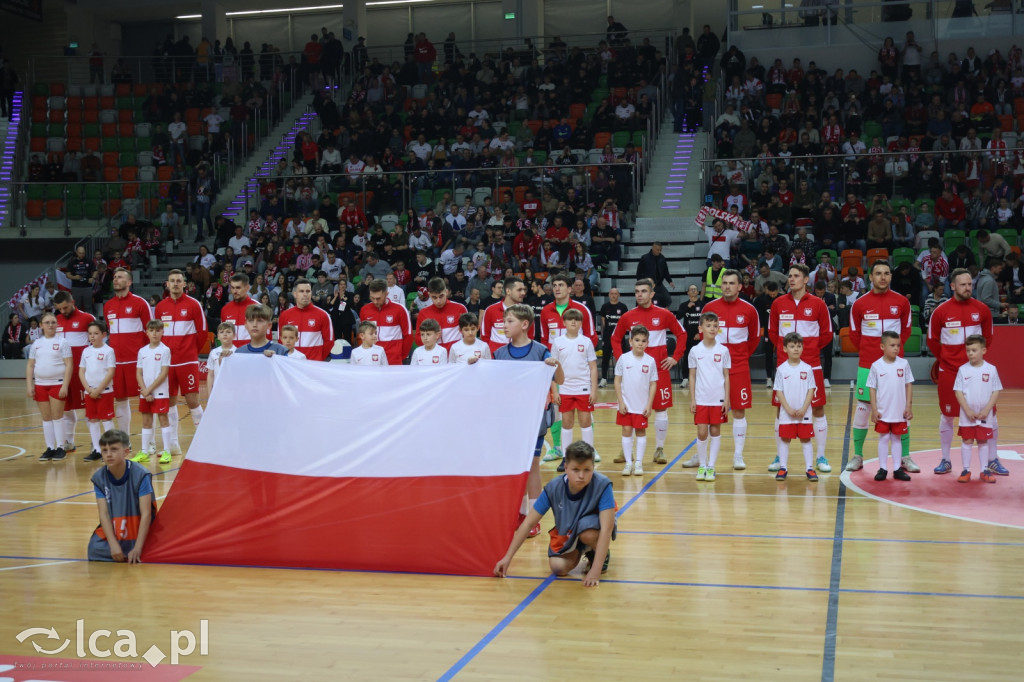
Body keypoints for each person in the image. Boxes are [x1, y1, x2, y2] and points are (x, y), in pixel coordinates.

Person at [494, 441, 615, 587]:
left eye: (587, 470)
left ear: (593, 468)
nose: (581, 475)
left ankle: (597, 553)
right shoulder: (553, 488)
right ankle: (581, 549)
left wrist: (595, 571)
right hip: (569, 531)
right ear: (565, 468)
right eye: (575, 470)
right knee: (558, 567)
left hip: (592, 529)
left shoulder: (603, 485)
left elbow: (607, 528)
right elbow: (528, 523)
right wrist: (507, 558)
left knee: (587, 533)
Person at [494, 304, 563, 538]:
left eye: (509, 321)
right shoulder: (500, 354)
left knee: (532, 467)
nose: (504, 325)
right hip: (510, 419)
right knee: (516, 467)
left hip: (535, 418)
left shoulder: (540, 350)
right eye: (504, 321)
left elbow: (560, 378)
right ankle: (520, 514)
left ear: (524, 324)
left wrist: (556, 364)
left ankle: (533, 518)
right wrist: (475, 365)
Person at [927, 269, 1002, 475]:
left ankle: (993, 459)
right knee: (947, 415)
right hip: (950, 371)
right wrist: (946, 361)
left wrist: (976, 362)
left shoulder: (983, 310)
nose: (968, 288)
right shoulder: (941, 311)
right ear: (953, 286)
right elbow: (932, 340)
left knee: (991, 416)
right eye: (963, 285)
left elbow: (988, 337)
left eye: (970, 284)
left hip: (977, 372)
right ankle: (945, 459)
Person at [846, 260, 915, 473]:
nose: (882, 277)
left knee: (901, 410)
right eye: (878, 273)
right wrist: (872, 354)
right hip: (868, 365)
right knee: (863, 409)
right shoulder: (859, 304)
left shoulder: (902, 302)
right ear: (871, 277)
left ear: (891, 276)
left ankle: (905, 456)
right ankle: (857, 456)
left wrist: (892, 353)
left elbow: (906, 331)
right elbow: (855, 335)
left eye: (886, 273)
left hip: (896, 366)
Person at [611, 279, 687, 465]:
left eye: (644, 291)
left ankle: (659, 449)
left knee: (661, 409)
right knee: (629, 409)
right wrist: (622, 361)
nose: (639, 294)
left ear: (652, 294)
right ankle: (626, 448)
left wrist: (675, 357)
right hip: (633, 374)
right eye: (637, 291)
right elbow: (615, 339)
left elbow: (682, 334)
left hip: (659, 370)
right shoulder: (628, 316)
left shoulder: (665, 314)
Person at [767, 264, 833, 473]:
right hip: (784, 367)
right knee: (780, 410)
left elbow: (827, 334)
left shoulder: (818, 304)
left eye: (796, 276)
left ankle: (821, 456)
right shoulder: (778, 303)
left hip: (812, 365)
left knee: (818, 408)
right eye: (790, 275)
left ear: (806, 280)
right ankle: (780, 456)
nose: (791, 279)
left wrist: (809, 351)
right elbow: (772, 332)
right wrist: (785, 353)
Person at [694, 270, 760, 470]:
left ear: (740, 286)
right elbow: (703, 332)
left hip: (739, 367)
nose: (727, 286)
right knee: (705, 414)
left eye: (732, 283)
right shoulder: (709, 307)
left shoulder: (750, 310)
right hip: (711, 370)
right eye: (724, 283)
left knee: (739, 411)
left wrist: (739, 357)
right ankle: (700, 457)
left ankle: (738, 455)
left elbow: (754, 338)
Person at [154, 269, 207, 455]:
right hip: (167, 363)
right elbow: (157, 334)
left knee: (192, 400)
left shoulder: (193, 305)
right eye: (172, 281)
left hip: (187, 361)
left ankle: (204, 441)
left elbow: (202, 332)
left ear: (184, 284)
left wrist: (191, 352)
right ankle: (173, 445)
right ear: (167, 284)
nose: (175, 284)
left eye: (179, 281)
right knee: (169, 402)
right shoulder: (160, 307)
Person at [87, 429, 156, 563]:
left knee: (151, 547)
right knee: (93, 549)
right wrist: (113, 545)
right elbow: (104, 514)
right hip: (117, 528)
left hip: (138, 526)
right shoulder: (99, 478)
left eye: (113, 449)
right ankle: (123, 551)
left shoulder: (141, 474)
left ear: (126, 452)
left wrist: (138, 547)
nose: (108, 454)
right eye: (104, 450)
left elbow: (146, 513)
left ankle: (135, 550)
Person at [103, 268, 153, 433]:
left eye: (120, 277)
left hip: (136, 361)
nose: (116, 279)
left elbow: (150, 332)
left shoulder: (140, 303)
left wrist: (146, 357)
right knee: (120, 399)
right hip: (116, 362)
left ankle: (150, 441)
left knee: (146, 398)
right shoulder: (108, 305)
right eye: (114, 277)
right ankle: (125, 440)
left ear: (129, 282)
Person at [687, 312, 731, 482]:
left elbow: (726, 375)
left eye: (715, 326)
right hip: (701, 398)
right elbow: (692, 376)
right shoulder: (695, 350)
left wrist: (726, 399)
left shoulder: (723, 350)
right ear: (701, 328)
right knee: (702, 432)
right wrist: (692, 399)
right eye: (708, 325)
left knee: (715, 431)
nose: (712, 329)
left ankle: (711, 466)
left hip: (718, 398)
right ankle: (702, 465)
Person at [551, 308, 599, 465]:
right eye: (570, 319)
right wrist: (554, 391)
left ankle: (589, 455)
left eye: (577, 320)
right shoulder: (557, 343)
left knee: (585, 421)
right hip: (564, 388)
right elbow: (552, 369)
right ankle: (566, 458)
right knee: (567, 422)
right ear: (564, 322)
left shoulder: (586, 342)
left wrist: (594, 390)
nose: (573, 322)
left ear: (581, 323)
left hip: (583, 387)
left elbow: (593, 367)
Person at [867, 330, 915, 482]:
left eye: (898, 345)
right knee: (883, 438)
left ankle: (896, 469)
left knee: (896, 439)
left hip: (899, 411)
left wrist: (908, 406)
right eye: (892, 345)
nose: (896, 348)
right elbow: (872, 388)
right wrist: (874, 410)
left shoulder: (904, 364)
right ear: (882, 346)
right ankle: (882, 468)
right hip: (883, 411)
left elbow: (908, 385)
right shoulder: (876, 366)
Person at [953, 334, 1001, 483]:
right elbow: (958, 391)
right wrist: (967, 410)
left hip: (984, 415)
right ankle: (966, 470)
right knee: (967, 440)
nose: (970, 353)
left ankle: (984, 470)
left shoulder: (991, 369)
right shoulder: (962, 370)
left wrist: (987, 410)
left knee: (982, 441)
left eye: (974, 350)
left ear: (984, 350)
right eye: (968, 350)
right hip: (967, 415)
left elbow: (996, 391)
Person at [53, 291, 95, 454]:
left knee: (90, 409)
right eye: (59, 309)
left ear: (73, 302)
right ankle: (68, 442)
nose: (62, 311)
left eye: (65, 307)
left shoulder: (87, 319)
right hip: (63, 374)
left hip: (82, 373)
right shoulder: (56, 321)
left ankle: (95, 443)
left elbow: (97, 343)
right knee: (66, 409)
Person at [27, 312, 72, 461]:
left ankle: (60, 447)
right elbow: (30, 365)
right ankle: (50, 448)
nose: (51, 325)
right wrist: (29, 385)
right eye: (47, 322)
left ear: (57, 324)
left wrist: (65, 385)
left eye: (53, 322)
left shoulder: (63, 342)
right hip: (40, 384)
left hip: (57, 384)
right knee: (46, 418)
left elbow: (69, 364)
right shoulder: (36, 344)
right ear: (41, 325)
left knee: (57, 416)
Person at [614, 325, 658, 476]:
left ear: (647, 343)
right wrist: (620, 402)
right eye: (637, 340)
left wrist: (649, 404)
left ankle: (638, 463)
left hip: (641, 405)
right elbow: (617, 381)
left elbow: (653, 384)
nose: (640, 343)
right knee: (626, 431)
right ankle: (628, 463)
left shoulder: (650, 361)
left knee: (640, 431)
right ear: (630, 341)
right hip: (626, 404)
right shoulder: (623, 359)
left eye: (644, 341)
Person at [773, 332, 817, 482]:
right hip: (787, 414)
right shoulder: (781, 369)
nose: (796, 349)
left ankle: (809, 468)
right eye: (792, 346)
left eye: (799, 346)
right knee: (785, 440)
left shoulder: (808, 368)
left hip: (804, 412)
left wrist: (804, 408)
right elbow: (778, 391)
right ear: (785, 349)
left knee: (806, 440)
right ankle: (783, 467)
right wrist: (788, 409)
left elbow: (811, 389)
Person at [132, 319, 173, 464]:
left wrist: (148, 390)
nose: (154, 334)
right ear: (147, 332)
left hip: (160, 391)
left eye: (157, 330)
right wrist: (144, 391)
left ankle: (167, 451)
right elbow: (138, 373)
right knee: (146, 421)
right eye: (151, 330)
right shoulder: (142, 351)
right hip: (145, 392)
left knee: (163, 419)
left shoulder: (165, 350)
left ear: (162, 332)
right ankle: (144, 451)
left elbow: (163, 373)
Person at [79, 320, 116, 462]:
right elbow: (81, 371)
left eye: (96, 333)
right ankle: (96, 449)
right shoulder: (86, 351)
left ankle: (110, 449)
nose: (92, 336)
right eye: (90, 334)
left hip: (104, 392)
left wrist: (98, 389)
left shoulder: (108, 351)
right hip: (89, 392)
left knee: (106, 419)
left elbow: (110, 372)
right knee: (92, 419)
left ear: (104, 334)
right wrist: (88, 389)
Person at [279, 278, 335, 360]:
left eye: (308, 291)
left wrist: (318, 359)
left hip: (313, 366)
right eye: (301, 291)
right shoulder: (284, 315)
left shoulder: (323, 315)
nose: (305, 294)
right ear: (295, 294)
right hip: (291, 364)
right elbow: (280, 340)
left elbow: (329, 342)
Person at [360, 279, 412, 366]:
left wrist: (400, 356)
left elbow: (408, 335)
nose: (375, 301)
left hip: (393, 361)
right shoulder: (364, 310)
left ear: (386, 294)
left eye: (378, 298)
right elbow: (363, 336)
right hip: (371, 360)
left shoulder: (400, 309)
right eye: (372, 298)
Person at [481, 276, 533, 354]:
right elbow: (485, 336)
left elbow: (530, 336)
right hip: (496, 358)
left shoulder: (526, 312)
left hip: (519, 356)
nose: (523, 293)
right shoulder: (491, 310)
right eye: (519, 290)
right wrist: (491, 355)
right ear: (508, 291)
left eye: (524, 290)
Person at [415, 277, 468, 352]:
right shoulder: (423, 313)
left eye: (441, 296)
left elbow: (469, 334)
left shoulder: (460, 309)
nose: (438, 301)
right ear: (429, 295)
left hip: (456, 357)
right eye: (434, 297)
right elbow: (417, 339)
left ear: (446, 292)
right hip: (434, 358)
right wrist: (432, 337)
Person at [598, 287, 629, 387]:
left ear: (619, 295)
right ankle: (603, 379)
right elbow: (603, 323)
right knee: (605, 358)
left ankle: (623, 379)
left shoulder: (623, 307)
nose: (614, 295)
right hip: (607, 337)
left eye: (616, 293)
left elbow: (625, 323)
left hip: (619, 338)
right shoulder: (604, 307)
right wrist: (603, 337)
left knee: (621, 359)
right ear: (609, 295)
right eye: (612, 293)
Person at [220, 272, 258, 348]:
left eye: (238, 288)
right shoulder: (225, 309)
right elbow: (223, 334)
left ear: (247, 288)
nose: (234, 291)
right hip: (231, 355)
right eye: (232, 288)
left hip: (251, 355)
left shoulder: (257, 307)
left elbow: (266, 336)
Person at [635, 242, 676, 307]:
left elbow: (666, 271)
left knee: (668, 300)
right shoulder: (645, 258)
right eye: (658, 250)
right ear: (653, 248)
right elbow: (639, 273)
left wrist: (670, 281)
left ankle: (662, 313)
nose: (659, 251)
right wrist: (641, 284)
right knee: (644, 300)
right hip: (648, 284)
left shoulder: (662, 258)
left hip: (659, 284)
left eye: (660, 250)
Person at [206, 322, 235, 394]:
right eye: (222, 332)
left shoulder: (237, 352)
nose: (225, 334)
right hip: (217, 391)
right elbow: (210, 374)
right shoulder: (213, 352)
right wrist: (210, 394)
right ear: (218, 336)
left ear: (234, 335)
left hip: (233, 391)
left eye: (228, 332)